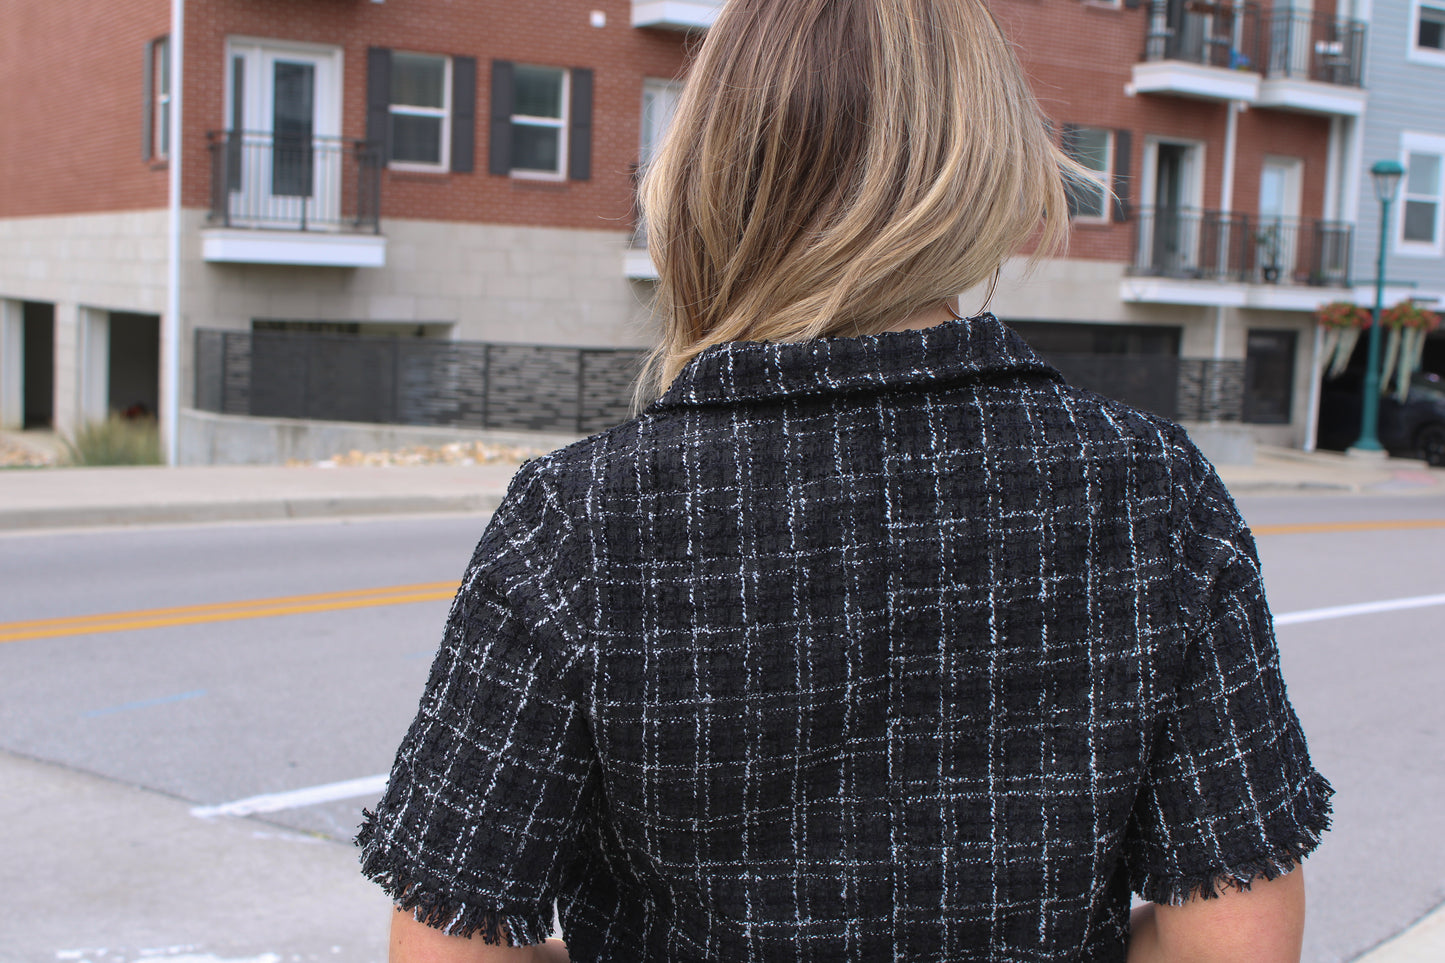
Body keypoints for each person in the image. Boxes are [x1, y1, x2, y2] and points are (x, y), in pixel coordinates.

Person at [358, 0, 1332, 959]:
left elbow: (448, 940)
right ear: (988, 166)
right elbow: (1233, 937)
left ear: (705, 168)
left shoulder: (583, 523)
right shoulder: (1148, 494)